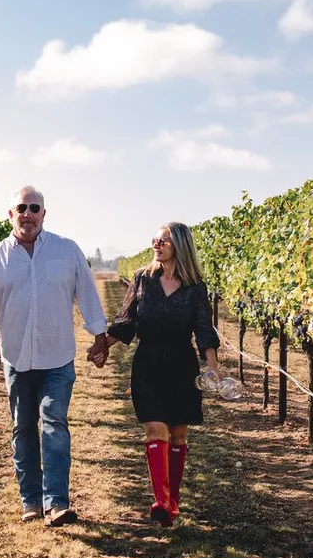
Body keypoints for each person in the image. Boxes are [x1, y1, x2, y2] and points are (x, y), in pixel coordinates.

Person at [0, 185, 109, 527]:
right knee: (23, 428)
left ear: (44, 214)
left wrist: (99, 336)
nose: (28, 214)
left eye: (34, 208)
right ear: (10, 214)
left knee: (55, 424)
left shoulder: (66, 251)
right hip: (16, 359)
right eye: (22, 208)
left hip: (57, 357)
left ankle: (57, 502)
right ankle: (31, 500)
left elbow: (87, 293)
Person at [88, 222, 221, 527]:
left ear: (180, 246)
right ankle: (161, 500)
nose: (156, 245)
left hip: (182, 366)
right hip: (148, 363)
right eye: (155, 240)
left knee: (178, 435)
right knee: (155, 428)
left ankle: (173, 502)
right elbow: (126, 321)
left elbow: (204, 329)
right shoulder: (143, 280)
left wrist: (212, 366)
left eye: (163, 241)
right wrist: (102, 346)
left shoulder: (195, 287)